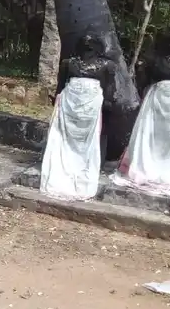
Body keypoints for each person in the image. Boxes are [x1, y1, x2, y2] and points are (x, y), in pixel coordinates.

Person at [111, 28, 170, 213]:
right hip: (156, 105)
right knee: (150, 140)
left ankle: (169, 174)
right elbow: (144, 81)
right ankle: (146, 170)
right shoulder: (155, 60)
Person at [40, 34, 117, 200]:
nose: (87, 45)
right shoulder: (68, 64)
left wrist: (107, 105)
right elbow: (60, 87)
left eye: (91, 43)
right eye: (84, 42)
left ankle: (84, 170)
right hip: (68, 107)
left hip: (92, 109)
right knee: (64, 140)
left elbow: (109, 92)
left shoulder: (107, 66)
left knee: (89, 143)